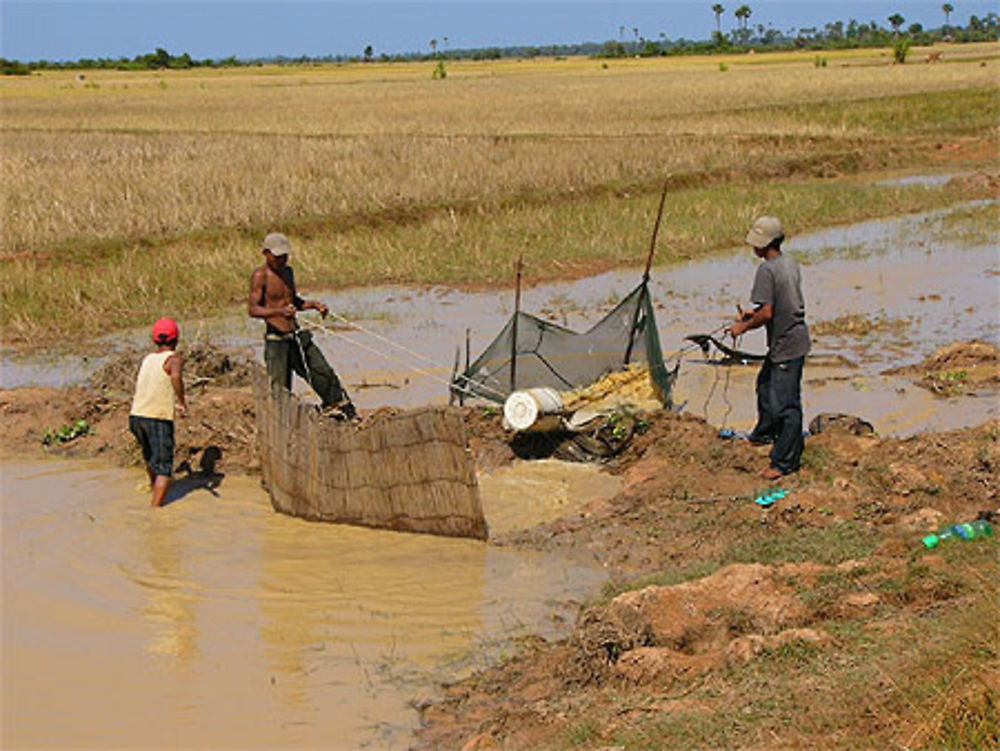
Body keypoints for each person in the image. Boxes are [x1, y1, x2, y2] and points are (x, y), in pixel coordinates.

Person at [727, 216, 810, 480]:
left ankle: (784, 462)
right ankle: (764, 434)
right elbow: (776, 304)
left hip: (786, 343)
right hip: (794, 339)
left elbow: (769, 314)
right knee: (765, 386)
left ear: (764, 245)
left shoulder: (766, 270)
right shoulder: (788, 263)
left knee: (786, 405)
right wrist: (755, 312)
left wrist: (742, 327)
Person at [248, 232, 357, 420]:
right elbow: (253, 309)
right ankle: (284, 423)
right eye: (277, 256)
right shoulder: (261, 276)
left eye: (284, 255)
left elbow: (294, 302)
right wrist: (279, 312)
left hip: (296, 335)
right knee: (280, 390)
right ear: (266, 253)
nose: (282, 260)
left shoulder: (288, 272)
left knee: (323, 373)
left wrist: (312, 305)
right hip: (277, 342)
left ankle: (343, 411)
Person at [130, 317, 187, 507]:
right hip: (157, 418)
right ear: (176, 339)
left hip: (136, 416)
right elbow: (176, 376)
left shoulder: (148, 359)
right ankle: (155, 511)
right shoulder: (174, 359)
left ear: (155, 340)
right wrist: (182, 401)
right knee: (164, 468)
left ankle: (153, 488)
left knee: (150, 456)